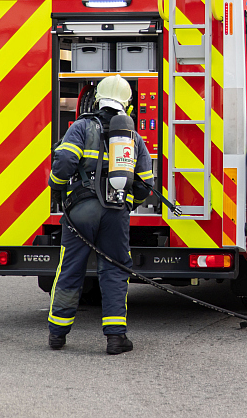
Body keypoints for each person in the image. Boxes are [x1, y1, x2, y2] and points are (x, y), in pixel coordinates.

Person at [47, 75, 154, 354]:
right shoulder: (133, 138)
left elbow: (65, 160)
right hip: (116, 212)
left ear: (97, 99)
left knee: (70, 268)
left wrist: (57, 189)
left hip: (81, 211)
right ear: (126, 104)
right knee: (116, 271)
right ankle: (116, 338)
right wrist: (128, 202)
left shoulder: (81, 126)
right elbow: (145, 184)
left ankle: (58, 334)